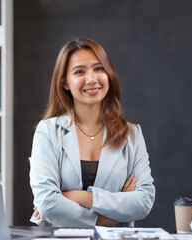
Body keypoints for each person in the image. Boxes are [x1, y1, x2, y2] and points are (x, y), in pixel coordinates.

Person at [29, 38, 155, 227]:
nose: (92, 79)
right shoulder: (48, 131)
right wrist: (111, 217)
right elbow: (47, 203)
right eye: (79, 72)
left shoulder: (132, 133)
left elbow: (143, 202)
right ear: (65, 82)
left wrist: (79, 196)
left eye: (98, 68)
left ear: (108, 74)